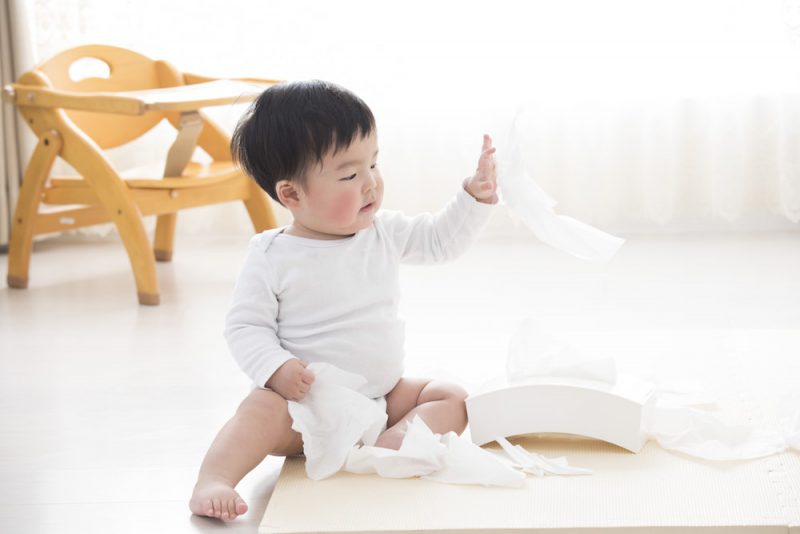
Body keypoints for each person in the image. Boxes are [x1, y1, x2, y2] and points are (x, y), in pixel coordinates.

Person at [189, 80, 498, 520]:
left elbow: (438, 242)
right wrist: (276, 369)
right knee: (259, 409)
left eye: (374, 163)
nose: (371, 183)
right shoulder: (272, 255)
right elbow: (245, 326)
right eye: (350, 175)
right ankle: (215, 478)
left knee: (451, 396)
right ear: (292, 194)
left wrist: (474, 198)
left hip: (381, 400)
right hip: (303, 410)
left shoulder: (383, 232)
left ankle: (394, 442)